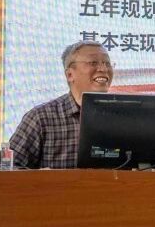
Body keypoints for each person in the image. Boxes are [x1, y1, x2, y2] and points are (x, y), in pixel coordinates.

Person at [8, 41, 113, 169]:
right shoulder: (41, 118)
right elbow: (9, 166)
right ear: (70, 75)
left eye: (107, 63)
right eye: (93, 63)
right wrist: (44, 178)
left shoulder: (123, 115)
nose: (103, 69)